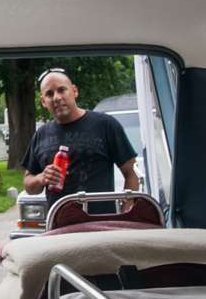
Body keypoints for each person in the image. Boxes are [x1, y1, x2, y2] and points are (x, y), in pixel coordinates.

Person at [22, 68, 140, 214]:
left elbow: (132, 172)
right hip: (59, 226)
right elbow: (28, 184)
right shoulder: (41, 134)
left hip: (101, 226)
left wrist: (126, 208)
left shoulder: (105, 125)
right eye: (49, 94)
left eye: (62, 90)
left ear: (74, 91)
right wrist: (41, 178)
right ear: (43, 102)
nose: (56, 98)